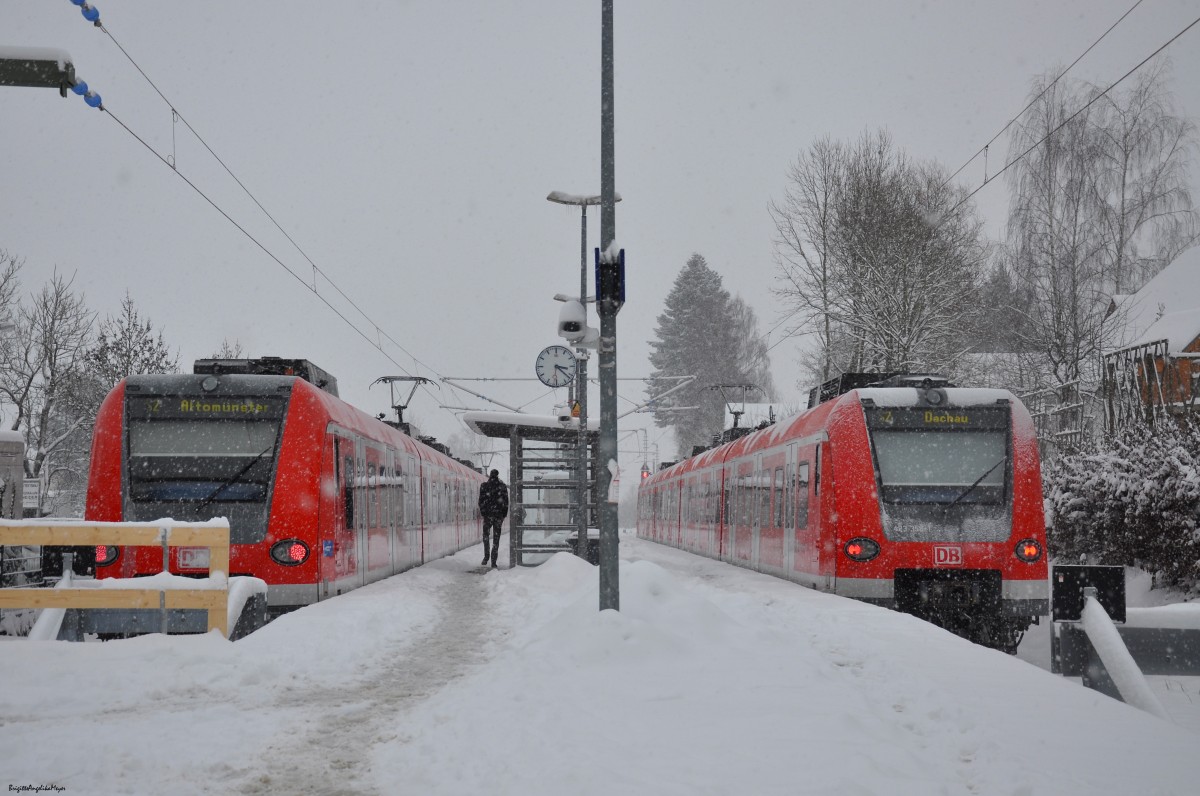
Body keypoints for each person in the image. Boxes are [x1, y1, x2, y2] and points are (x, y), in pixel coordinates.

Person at [477, 469, 509, 568]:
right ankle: (493, 561)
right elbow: (506, 503)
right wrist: (503, 515)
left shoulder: (484, 486)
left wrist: (484, 513)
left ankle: (486, 557)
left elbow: (480, 501)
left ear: (490, 475)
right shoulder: (502, 487)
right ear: (498, 475)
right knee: (496, 539)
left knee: (485, 536)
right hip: (498, 516)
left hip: (488, 516)